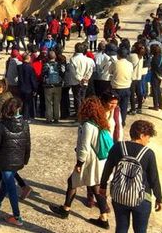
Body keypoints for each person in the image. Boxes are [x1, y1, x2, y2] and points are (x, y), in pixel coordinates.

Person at [49, 97, 111, 229]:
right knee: (95, 187)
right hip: (100, 160)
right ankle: (104, 217)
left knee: (72, 182)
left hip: (89, 161)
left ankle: (65, 210)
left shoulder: (88, 125)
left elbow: (84, 147)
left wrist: (79, 163)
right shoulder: (101, 122)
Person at [99, 120, 162, 233]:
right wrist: (159, 198)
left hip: (119, 195)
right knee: (140, 230)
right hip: (141, 198)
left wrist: (103, 186)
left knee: (121, 228)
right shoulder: (148, 153)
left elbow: (107, 169)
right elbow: (154, 179)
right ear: (142, 135)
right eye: (148, 137)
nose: (148, 141)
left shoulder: (118, 147)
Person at [0, 98, 31, 227]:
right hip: (17, 159)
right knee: (8, 180)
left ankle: (17, 216)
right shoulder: (25, 124)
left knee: (11, 186)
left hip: (5, 160)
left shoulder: (1, 125)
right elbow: (28, 143)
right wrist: (26, 158)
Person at [66, 43, 94, 117]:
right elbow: (91, 70)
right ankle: (83, 113)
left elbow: (73, 72)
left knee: (77, 99)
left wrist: (79, 79)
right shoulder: (89, 60)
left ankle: (79, 114)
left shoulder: (73, 59)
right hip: (85, 82)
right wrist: (86, 78)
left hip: (76, 82)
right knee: (83, 98)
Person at [110, 48, 133, 126]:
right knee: (124, 107)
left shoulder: (115, 63)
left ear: (118, 55)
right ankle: (122, 122)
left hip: (116, 88)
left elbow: (110, 71)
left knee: (114, 106)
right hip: (126, 88)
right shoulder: (130, 64)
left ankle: (113, 121)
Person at [42, 50, 64, 123]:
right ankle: (56, 117)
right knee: (57, 102)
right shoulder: (59, 65)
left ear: (48, 57)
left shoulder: (45, 65)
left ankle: (49, 118)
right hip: (58, 85)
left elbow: (43, 75)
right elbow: (62, 74)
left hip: (48, 86)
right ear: (55, 57)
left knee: (48, 102)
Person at [17, 54, 38, 120]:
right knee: (27, 104)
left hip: (20, 87)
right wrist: (35, 88)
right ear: (29, 59)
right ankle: (26, 117)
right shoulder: (30, 68)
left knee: (21, 102)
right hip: (28, 88)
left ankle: (20, 115)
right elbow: (32, 79)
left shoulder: (19, 67)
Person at [128, 43, 146, 115]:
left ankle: (133, 109)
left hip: (132, 78)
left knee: (132, 94)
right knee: (139, 93)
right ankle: (139, 108)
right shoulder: (141, 56)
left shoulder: (132, 56)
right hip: (138, 77)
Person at [149, 45, 162, 111]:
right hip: (160, 76)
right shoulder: (161, 57)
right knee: (158, 90)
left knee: (155, 90)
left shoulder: (154, 58)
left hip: (155, 75)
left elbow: (153, 68)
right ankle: (161, 105)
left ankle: (156, 106)